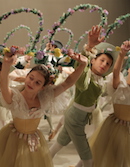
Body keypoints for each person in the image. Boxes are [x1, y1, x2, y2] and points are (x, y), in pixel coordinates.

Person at [0, 45, 88, 167]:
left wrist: (83, 65)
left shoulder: (45, 97)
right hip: (14, 140)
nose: (32, 83)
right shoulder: (15, 98)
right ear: (26, 77)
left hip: (34, 140)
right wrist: (6, 65)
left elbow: (67, 83)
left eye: (38, 82)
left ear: (43, 87)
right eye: (31, 78)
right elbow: (4, 85)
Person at [49, 25, 119, 167]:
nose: (104, 65)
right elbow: (81, 77)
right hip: (75, 117)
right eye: (102, 60)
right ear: (93, 60)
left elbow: (106, 92)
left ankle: (41, 161)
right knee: (88, 157)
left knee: (59, 143)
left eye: (108, 64)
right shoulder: (86, 74)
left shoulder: (101, 80)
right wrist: (88, 49)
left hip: (81, 117)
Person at [87, 40, 130, 167]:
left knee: (123, 158)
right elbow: (116, 72)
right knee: (102, 151)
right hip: (113, 125)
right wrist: (122, 54)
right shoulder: (120, 87)